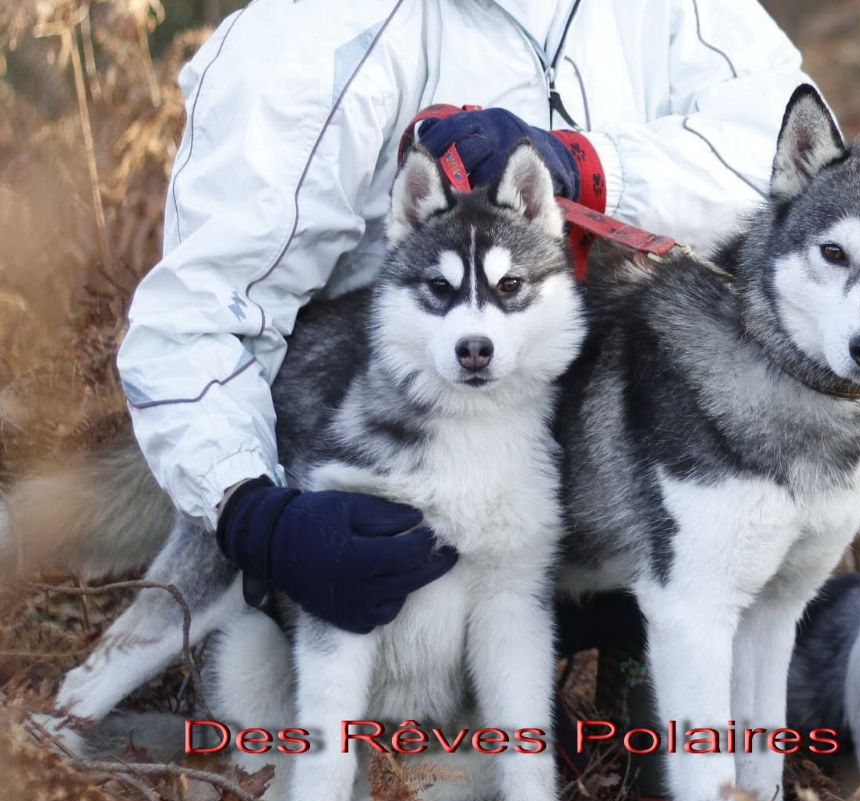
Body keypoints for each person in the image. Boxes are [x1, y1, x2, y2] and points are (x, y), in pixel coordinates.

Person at [117, 0, 810, 634]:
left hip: (599, 465)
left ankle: (629, 660)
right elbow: (201, 312)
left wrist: (595, 167)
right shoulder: (314, 35)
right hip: (378, 465)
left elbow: (796, 167)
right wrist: (251, 512)